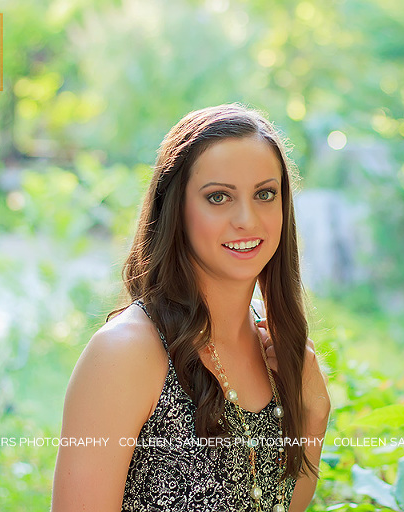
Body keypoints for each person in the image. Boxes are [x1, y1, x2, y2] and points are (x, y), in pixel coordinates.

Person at [51, 103, 331, 511]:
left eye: (265, 194)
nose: (247, 219)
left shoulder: (275, 346)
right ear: (175, 209)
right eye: (218, 197)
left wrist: (314, 413)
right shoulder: (125, 354)